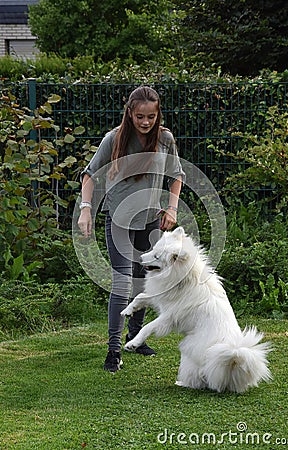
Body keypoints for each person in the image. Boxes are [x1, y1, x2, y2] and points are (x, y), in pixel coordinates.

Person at [78, 86, 185, 373]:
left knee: (143, 280)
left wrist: (172, 208)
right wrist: (86, 208)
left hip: (150, 218)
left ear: (157, 114)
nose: (146, 122)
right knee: (122, 284)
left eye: (151, 116)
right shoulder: (113, 139)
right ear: (130, 113)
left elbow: (177, 175)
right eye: (140, 116)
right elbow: (89, 174)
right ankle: (114, 351)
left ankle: (135, 340)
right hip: (119, 220)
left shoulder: (165, 139)